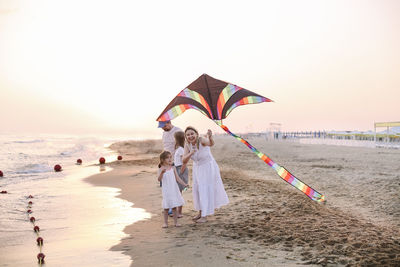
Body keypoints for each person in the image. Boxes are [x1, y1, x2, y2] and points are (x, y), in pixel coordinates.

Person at [182, 126, 229, 223]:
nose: (190, 136)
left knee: (204, 190)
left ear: (196, 134)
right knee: (197, 190)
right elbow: (184, 160)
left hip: (207, 166)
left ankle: (204, 216)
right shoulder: (187, 145)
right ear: (185, 137)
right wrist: (190, 153)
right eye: (188, 135)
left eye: (192, 134)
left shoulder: (201, 140)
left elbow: (211, 143)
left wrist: (210, 137)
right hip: (197, 168)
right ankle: (200, 212)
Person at [157, 151, 188, 228]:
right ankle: (165, 223)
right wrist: (162, 173)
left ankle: (176, 222)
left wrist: (184, 184)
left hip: (174, 189)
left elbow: (177, 178)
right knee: (166, 208)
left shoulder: (173, 168)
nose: (170, 159)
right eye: (168, 157)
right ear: (163, 160)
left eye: (170, 157)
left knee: (174, 207)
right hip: (167, 190)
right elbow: (159, 179)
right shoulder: (161, 169)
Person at [158, 120, 182, 215]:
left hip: (174, 162)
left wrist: (177, 162)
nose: (163, 128)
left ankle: (175, 207)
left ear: (169, 122)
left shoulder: (177, 131)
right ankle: (169, 206)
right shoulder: (164, 133)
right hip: (165, 163)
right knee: (166, 185)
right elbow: (165, 147)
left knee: (175, 186)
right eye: (161, 127)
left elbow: (181, 147)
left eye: (164, 126)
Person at [173, 131, 188, 218]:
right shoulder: (179, 149)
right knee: (177, 191)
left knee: (179, 191)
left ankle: (179, 212)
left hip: (180, 169)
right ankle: (176, 211)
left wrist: (181, 172)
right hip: (177, 168)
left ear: (177, 140)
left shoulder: (181, 150)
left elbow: (184, 162)